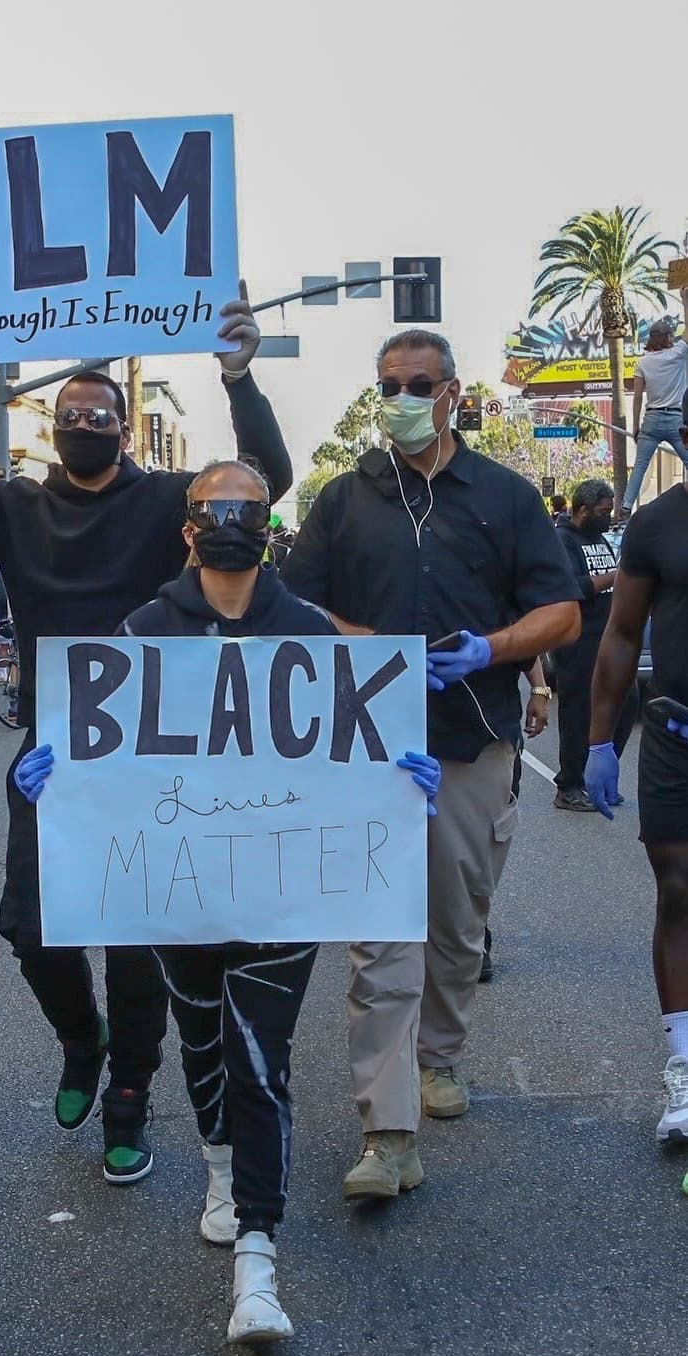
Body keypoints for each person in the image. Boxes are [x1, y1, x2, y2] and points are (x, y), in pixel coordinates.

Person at [0, 284, 294, 1184]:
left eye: (101, 414)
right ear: (53, 424)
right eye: (72, 413)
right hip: (54, 758)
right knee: (33, 928)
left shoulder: (168, 499)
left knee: (137, 933)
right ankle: (81, 1038)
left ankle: (130, 1098)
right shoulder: (13, 506)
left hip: (148, 753)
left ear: (125, 431)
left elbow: (265, 478)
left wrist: (239, 377)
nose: (86, 422)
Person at [12, 460, 442, 1343]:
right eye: (216, 507)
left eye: (248, 507)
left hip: (283, 890)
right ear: (188, 527)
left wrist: (404, 777)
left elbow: (365, 741)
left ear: (268, 525)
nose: (232, 520)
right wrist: (46, 774)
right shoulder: (139, 630)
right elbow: (88, 748)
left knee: (260, 1057)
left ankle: (258, 1254)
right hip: (179, 886)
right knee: (202, 1042)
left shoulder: (316, 633)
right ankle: (216, 1158)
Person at [281, 327, 580, 1198]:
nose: (402, 398)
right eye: (389, 383)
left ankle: (440, 1053)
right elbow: (293, 605)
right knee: (380, 939)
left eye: (419, 383)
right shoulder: (343, 500)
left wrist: (489, 649)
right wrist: (371, 645)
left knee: (455, 925)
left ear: (453, 394)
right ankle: (388, 1131)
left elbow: (560, 610)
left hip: (471, 742)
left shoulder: (504, 496)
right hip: (367, 750)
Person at [586, 469, 688, 1142]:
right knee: (679, 892)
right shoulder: (657, 522)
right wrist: (599, 740)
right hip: (677, 735)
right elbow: (622, 631)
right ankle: (684, 1066)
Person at [553, 479, 638, 811]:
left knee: (628, 703)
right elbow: (570, 587)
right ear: (583, 511)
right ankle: (569, 786)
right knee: (578, 713)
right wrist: (619, 575)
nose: (610, 516)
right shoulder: (562, 541)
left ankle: (600, 777)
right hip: (578, 641)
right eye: (604, 511)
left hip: (607, 639)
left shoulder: (600, 539)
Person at [480, 658, 550, 982]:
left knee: (490, 833)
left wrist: (539, 689)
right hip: (416, 719)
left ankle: (473, 930)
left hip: (491, 729)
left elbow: (525, 631)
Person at [621, 291, 688, 516]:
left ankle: (625, 507)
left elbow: (638, 397)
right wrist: (686, 300)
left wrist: (635, 426)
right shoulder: (678, 354)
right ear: (669, 337)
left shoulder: (642, 362)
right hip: (677, 419)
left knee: (640, 467)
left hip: (651, 419)